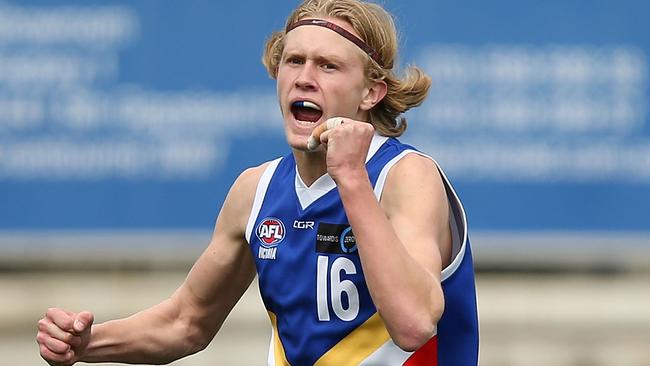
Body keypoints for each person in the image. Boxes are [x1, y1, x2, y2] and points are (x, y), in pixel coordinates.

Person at [36, 0, 479, 365]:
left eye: (328, 66)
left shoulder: (407, 176)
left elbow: (415, 324)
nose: (304, 77)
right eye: (294, 61)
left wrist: (351, 179)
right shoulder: (257, 189)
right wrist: (86, 344)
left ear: (370, 93)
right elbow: (186, 322)